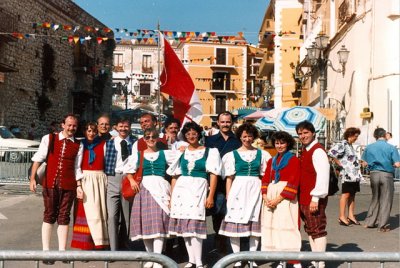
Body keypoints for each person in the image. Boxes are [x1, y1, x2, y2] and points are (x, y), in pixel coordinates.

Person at [29, 114, 83, 264]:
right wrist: (33, 179)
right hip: (50, 184)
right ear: (63, 125)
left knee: (64, 216)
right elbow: (38, 158)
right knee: (49, 215)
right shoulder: (49, 138)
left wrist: (79, 186)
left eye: (74, 126)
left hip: (69, 185)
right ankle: (46, 252)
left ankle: (62, 252)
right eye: (69, 125)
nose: (72, 128)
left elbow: (77, 167)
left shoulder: (79, 145)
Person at [167, 122, 221, 268]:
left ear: (199, 134)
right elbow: (174, 176)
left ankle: (199, 262)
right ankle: (191, 260)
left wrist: (210, 196)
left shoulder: (210, 151)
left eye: (194, 133)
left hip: (198, 190)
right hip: (181, 191)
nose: (191, 136)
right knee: (185, 228)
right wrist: (172, 198)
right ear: (185, 136)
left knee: (195, 227)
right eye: (188, 134)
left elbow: (214, 175)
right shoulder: (181, 152)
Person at [219, 123, 271, 268]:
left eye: (249, 136)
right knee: (235, 223)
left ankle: (252, 258)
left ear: (253, 137)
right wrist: (229, 196)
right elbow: (229, 177)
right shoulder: (231, 155)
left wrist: (263, 192)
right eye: (244, 136)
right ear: (240, 137)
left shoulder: (262, 154)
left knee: (254, 224)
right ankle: (236, 258)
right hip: (238, 189)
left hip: (255, 188)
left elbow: (264, 176)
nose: (247, 139)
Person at [124, 128, 177, 268]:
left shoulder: (165, 154)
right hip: (144, 190)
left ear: (158, 138)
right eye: (147, 137)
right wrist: (132, 180)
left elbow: (180, 161)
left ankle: (158, 258)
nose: (151, 139)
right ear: (144, 139)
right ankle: (150, 257)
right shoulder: (139, 155)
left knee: (159, 223)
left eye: (153, 136)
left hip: (161, 189)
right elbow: (128, 171)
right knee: (146, 224)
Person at [261, 131, 301, 268]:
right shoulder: (271, 161)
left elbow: (293, 181)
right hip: (271, 195)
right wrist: (265, 196)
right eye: (277, 143)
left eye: (282, 143)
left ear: (288, 143)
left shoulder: (294, 160)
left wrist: (278, 199)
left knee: (287, 226)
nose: (279, 146)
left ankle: (295, 261)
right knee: (275, 228)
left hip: (285, 197)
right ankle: (280, 259)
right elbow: (266, 178)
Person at [205, 111, 241, 254]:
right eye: (223, 122)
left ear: (231, 122)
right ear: (218, 123)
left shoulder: (238, 140)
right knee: (217, 212)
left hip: (233, 181)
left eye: (228, 122)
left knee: (232, 212)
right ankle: (220, 240)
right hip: (216, 183)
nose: (225, 124)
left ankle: (232, 242)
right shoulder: (210, 140)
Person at [296, 121, 330, 268]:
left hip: (313, 198)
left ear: (313, 133)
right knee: (310, 229)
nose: (303, 136)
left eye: (305, 133)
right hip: (304, 197)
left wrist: (316, 197)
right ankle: (315, 259)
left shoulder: (317, 151)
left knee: (317, 229)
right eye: (300, 134)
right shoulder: (306, 150)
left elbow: (323, 175)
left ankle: (320, 262)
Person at [71, 122, 109, 250]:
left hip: (99, 179)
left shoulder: (103, 144)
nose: (91, 133)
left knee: (99, 211)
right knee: (85, 212)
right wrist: (79, 184)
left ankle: (99, 242)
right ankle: (85, 245)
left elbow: (106, 162)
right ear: (84, 132)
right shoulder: (81, 145)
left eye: (93, 131)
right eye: (88, 131)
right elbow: (77, 165)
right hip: (86, 179)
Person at [104, 117, 136, 251]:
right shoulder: (109, 143)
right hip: (113, 178)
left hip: (128, 179)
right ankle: (113, 248)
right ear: (116, 127)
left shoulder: (135, 143)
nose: (123, 129)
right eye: (121, 126)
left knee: (126, 216)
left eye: (126, 126)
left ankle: (125, 243)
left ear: (130, 127)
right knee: (112, 216)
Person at [361, 128, 400, 232]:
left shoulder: (369, 147)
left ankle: (369, 222)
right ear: (385, 135)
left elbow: (364, 163)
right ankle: (382, 225)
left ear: (375, 136)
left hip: (373, 174)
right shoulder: (391, 147)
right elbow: (397, 164)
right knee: (386, 200)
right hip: (386, 174)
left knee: (375, 198)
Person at [328, 127, 363, 226]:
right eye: (355, 136)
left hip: (354, 174)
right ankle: (342, 216)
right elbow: (331, 152)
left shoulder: (350, 145)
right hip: (347, 174)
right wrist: (338, 163)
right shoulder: (342, 143)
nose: (356, 138)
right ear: (350, 135)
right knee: (346, 194)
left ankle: (351, 215)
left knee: (352, 194)